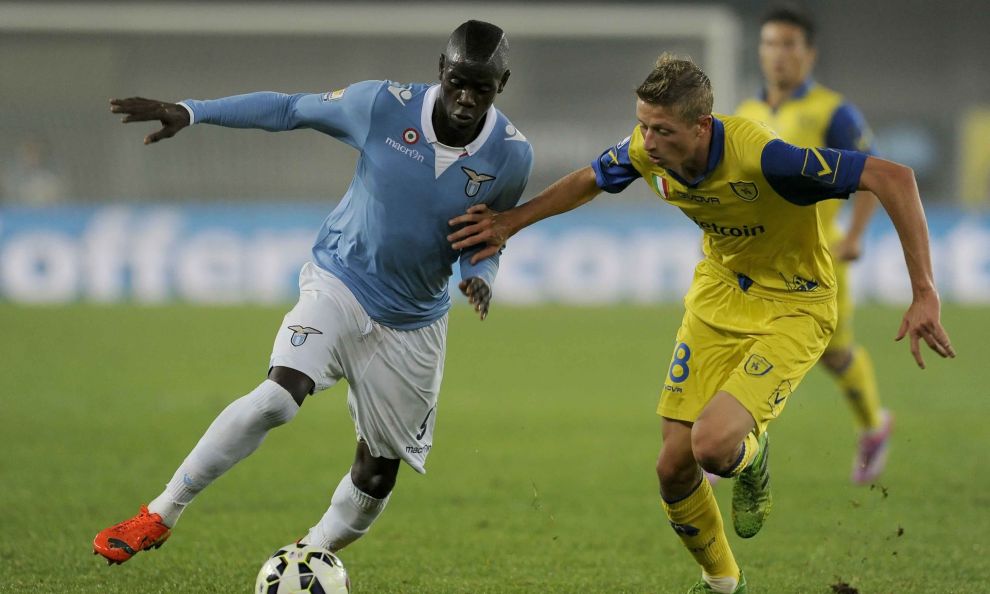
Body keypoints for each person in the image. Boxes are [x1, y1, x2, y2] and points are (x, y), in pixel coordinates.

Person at [447, 54, 954, 594]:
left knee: (712, 446)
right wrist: (510, 222)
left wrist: (924, 291)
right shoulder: (644, 149)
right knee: (672, 466)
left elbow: (893, 177)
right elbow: (589, 180)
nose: (648, 141)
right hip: (718, 296)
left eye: (662, 130)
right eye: (643, 125)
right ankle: (722, 582)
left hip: (794, 305)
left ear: (702, 127)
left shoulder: (766, 159)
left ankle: (752, 458)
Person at [93, 20, 533, 566]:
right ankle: (161, 511)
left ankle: (307, 557)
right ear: (440, 69)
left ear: (502, 84)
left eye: (481, 88)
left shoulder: (512, 156)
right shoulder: (382, 105)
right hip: (341, 282)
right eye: (457, 82)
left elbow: (487, 235)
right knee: (278, 398)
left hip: (414, 322)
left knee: (377, 475)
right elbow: (288, 109)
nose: (466, 98)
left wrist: (482, 276)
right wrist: (192, 110)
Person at [735, 5, 891, 485]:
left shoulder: (832, 111)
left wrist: (855, 237)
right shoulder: (746, 114)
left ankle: (874, 426)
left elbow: (874, 174)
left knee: (834, 355)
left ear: (809, 53)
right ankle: (730, 444)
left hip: (818, 258)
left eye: (788, 44)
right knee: (738, 342)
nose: (778, 54)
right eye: (769, 44)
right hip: (758, 258)